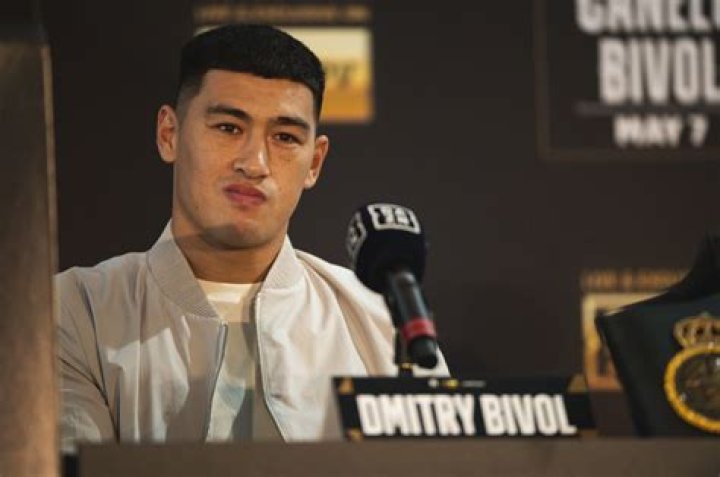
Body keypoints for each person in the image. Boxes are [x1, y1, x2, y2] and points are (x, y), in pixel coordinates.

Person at [57, 24, 448, 452]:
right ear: (169, 134)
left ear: (314, 162)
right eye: (228, 128)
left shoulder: (380, 319)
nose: (255, 163)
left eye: (284, 137)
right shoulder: (77, 309)